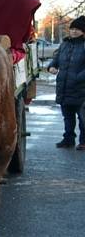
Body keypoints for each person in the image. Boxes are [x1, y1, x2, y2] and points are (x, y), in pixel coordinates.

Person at [47, 16, 85, 149]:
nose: (74, 31)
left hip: (81, 89)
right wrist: (52, 66)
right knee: (68, 117)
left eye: (77, 29)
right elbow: (56, 59)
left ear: (83, 31)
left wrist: (77, 78)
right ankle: (68, 139)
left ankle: (83, 142)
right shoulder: (64, 44)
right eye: (72, 29)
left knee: (83, 118)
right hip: (64, 87)